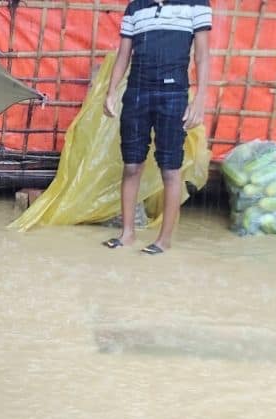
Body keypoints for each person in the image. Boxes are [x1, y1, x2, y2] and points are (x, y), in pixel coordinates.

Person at [102, 0, 211, 254]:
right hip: (136, 93)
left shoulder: (196, 5)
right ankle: (127, 234)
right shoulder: (135, 8)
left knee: (170, 168)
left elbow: (203, 55)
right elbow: (123, 55)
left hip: (173, 94)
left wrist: (200, 98)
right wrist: (110, 91)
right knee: (131, 165)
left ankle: (164, 240)